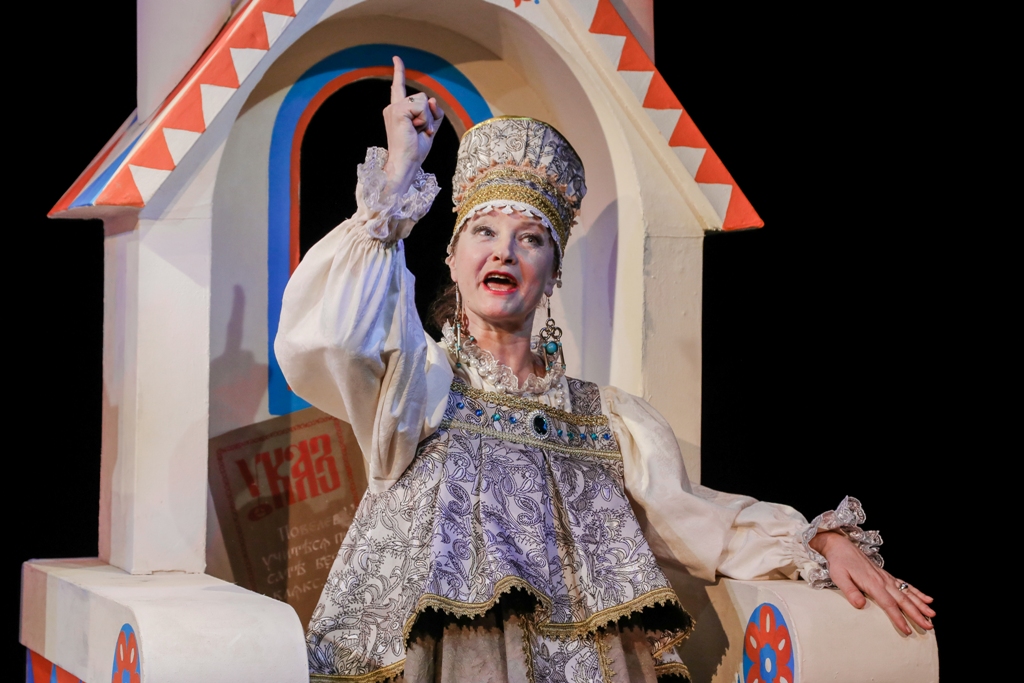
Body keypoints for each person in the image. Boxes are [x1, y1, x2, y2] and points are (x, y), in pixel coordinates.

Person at [275, 57, 934, 683]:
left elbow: (699, 520)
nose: (504, 251)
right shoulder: (419, 388)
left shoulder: (609, 423)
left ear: (551, 273)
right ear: (451, 258)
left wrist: (817, 542)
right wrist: (396, 178)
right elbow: (331, 339)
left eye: (530, 237)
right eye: (484, 231)